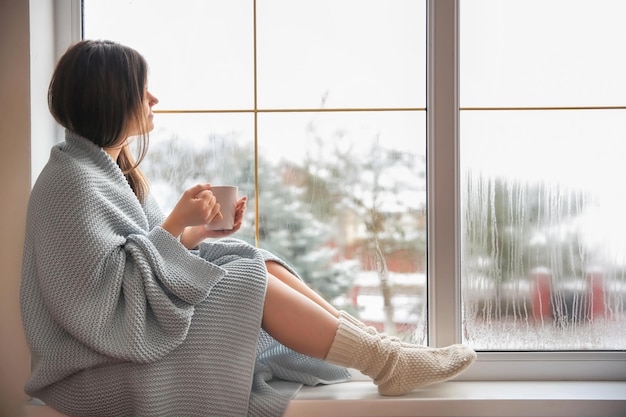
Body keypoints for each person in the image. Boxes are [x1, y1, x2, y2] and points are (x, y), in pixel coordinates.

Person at [20, 39, 476, 417]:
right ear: (111, 98)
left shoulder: (108, 170)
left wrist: (199, 233)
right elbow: (99, 305)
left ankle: (385, 353)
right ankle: (388, 362)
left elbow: (148, 260)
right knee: (245, 279)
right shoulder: (69, 183)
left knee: (250, 257)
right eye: (143, 89)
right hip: (96, 363)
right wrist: (178, 221)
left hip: (131, 335)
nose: (153, 99)